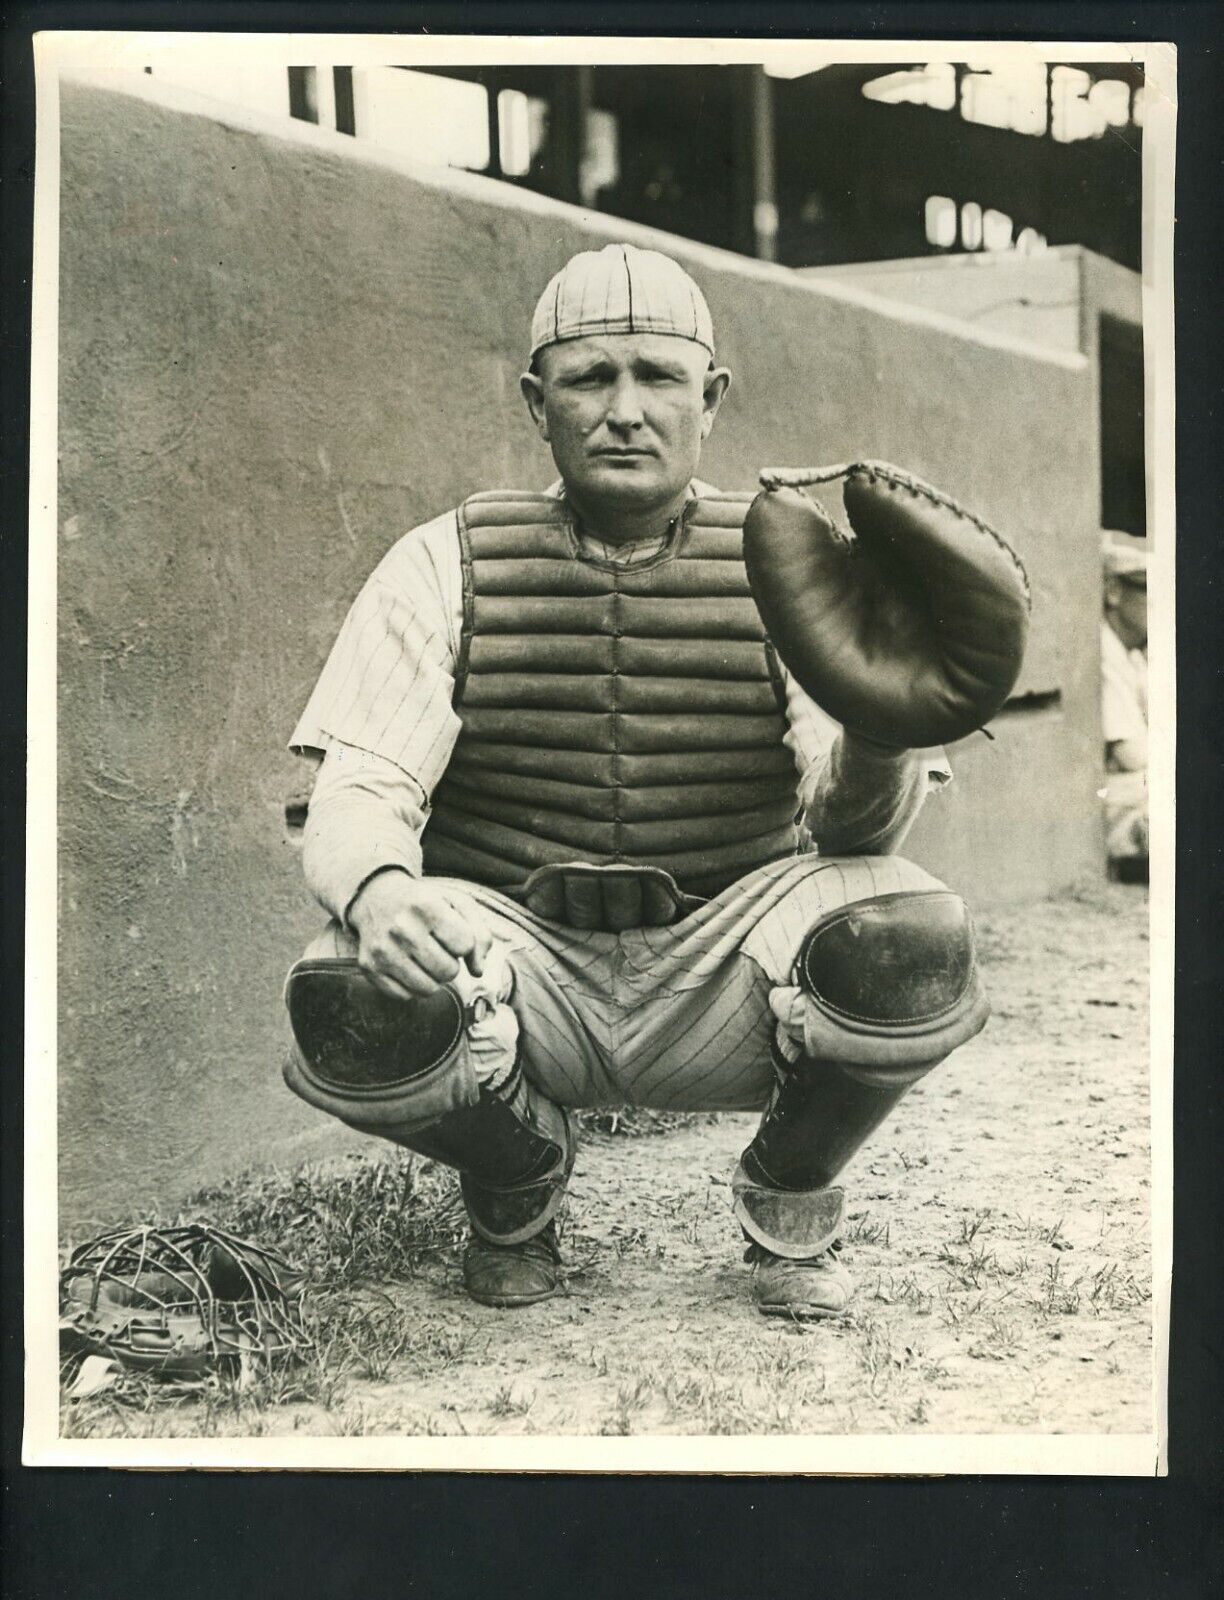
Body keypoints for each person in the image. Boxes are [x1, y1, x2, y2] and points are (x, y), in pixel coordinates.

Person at [282, 244, 1026, 1318]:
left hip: (723, 956)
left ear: (711, 398)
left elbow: (850, 829)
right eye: (589, 379)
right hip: (521, 964)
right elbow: (358, 790)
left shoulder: (791, 562)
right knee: (348, 988)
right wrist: (382, 891)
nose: (624, 410)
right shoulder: (444, 560)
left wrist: (876, 731)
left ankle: (789, 1192)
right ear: (538, 402)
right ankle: (515, 1173)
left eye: (659, 377)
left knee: (906, 932)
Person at [1100, 531, 1149, 878]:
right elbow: (1130, 754)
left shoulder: (1134, 651)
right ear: (1114, 592)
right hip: (1112, 796)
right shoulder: (1102, 647)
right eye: (1148, 589)